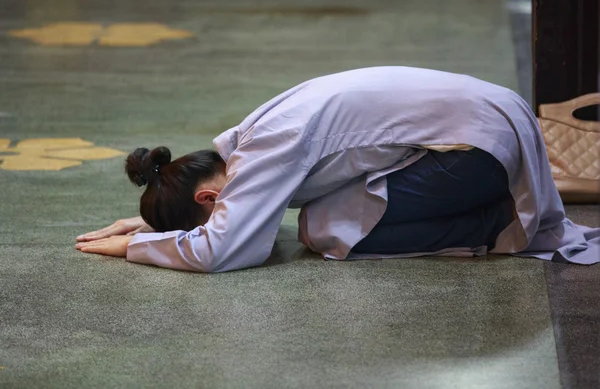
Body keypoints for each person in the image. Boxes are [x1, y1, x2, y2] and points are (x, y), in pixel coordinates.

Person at [75, 67, 600, 271]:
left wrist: (135, 246)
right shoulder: (247, 138)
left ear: (207, 201)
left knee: (323, 227)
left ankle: (495, 222)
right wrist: (153, 221)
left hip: (478, 153)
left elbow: (224, 250)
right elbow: (230, 215)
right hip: (492, 122)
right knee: (330, 214)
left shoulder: (262, 154)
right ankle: (499, 206)